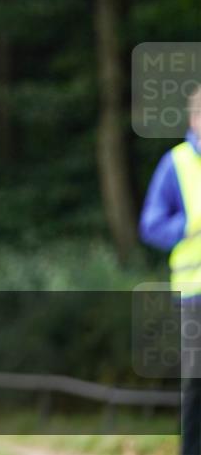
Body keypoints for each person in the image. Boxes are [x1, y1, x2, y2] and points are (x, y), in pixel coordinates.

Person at [140, 84, 201, 455]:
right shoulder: (175, 164)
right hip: (194, 296)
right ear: (196, 119)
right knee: (196, 384)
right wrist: (188, 226)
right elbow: (150, 225)